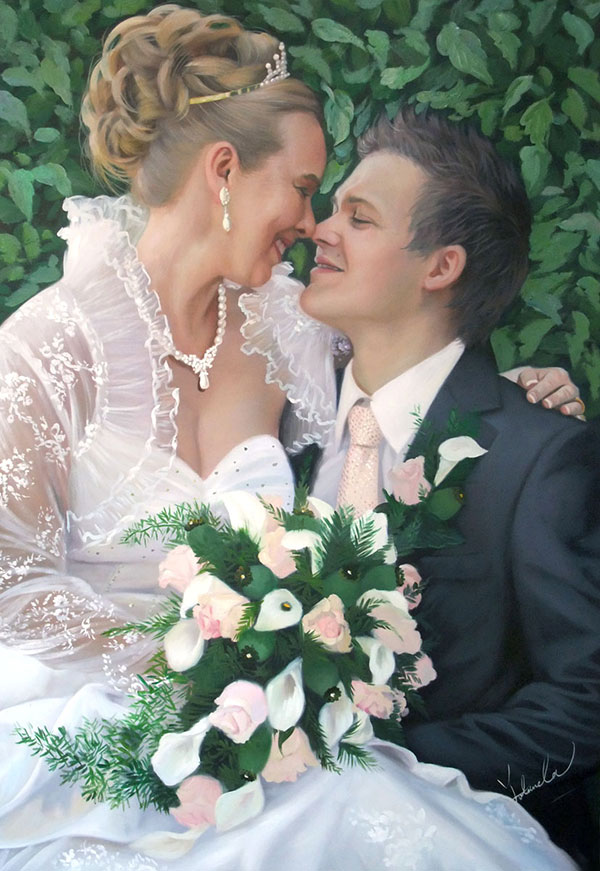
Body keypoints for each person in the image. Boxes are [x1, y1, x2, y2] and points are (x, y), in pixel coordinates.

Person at [0, 5, 584, 869]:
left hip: (270, 737)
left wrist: (520, 391)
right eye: (306, 188)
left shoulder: (290, 328)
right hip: (90, 731)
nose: (313, 225)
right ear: (224, 172)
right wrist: (199, 664)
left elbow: (411, 377)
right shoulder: (44, 348)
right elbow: (11, 582)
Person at [305, 107, 600, 869]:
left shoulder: (537, 454)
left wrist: (382, 766)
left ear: (440, 267)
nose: (319, 230)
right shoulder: (277, 426)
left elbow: (586, 701)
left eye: (358, 218)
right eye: (333, 208)